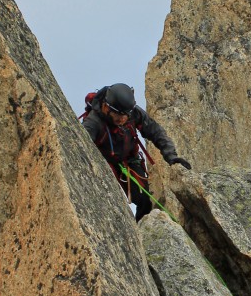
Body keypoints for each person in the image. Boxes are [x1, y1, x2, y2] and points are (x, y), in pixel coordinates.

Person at [80, 83, 191, 219]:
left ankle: (142, 233)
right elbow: (82, 149)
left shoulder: (133, 113)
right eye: (118, 115)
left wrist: (171, 156)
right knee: (113, 203)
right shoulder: (93, 123)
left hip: (130, 161)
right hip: (105, 164)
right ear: (106, 107)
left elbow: (156, 132)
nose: (122, 119)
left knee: (144, 200)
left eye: (125, 115)